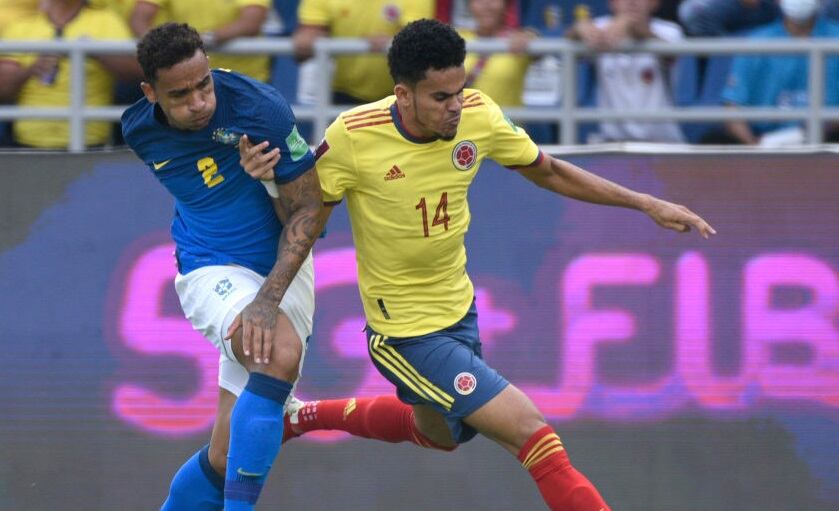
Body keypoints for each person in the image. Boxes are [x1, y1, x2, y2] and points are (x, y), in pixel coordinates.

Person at [242, 18, 716, 511]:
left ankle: (301, 418)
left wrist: (645, 203)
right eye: (440, 98)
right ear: (403, 95)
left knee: (441, 435)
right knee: (533, 436)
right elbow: (303, 221)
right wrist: (270, 189)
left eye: (460, 91)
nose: (455, 107)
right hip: (404, 335)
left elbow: (548, 171)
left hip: (458, 313)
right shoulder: (353, 138)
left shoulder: (478, 116)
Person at [121, 22, 323, 510]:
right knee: (276, 350)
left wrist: (272, 180)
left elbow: (309, 210)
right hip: (208, 268)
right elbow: (206, 193)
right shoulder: (139, 131)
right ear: (150, 92)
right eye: (181, 94)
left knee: (224, 452)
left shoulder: (262, 111)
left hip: (282, 270)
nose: (199, 102)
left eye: (204, 84)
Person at [0, 0, 140, 149]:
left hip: (90, 144)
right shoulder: (22, 26)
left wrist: (99, 53)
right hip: (28, 144)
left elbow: (134, 73)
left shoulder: (106, 20)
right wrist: (31, 70)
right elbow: (3, 89)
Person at [720, 0, 839, 145]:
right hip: (762, 141)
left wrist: (803, 135)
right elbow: (732, 106)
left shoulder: (836, 38)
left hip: (828, 140)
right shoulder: (756, 42)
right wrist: (754, 147)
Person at [567, 0, 686, 143]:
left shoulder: (670, 31)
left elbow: (670, 56)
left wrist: (630, 24)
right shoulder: (601, 27)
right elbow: (566, 44)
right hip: (613, 143)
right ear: (611, 3)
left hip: (663, 143)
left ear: (654, 3)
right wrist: (578, 28)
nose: (632, 2)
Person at [292, 0, 433, 105]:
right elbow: (309, 31)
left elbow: (418, 36)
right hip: (344, 94)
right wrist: (310, 34)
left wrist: (393, 40)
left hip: (399, 94)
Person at [130, 0, 271, 82]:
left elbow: (251, 22)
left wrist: (191, 41)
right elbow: (139, 20)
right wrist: (162, 47)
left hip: (241, 81)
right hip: (183, 81)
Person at [460, 0, 536, 107]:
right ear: (469, 5)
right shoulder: (456, 37)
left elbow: (545, 49)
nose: (486, 4)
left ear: (506, 4)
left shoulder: (518, 39)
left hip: (504, 123)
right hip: (464, 123)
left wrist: (531, 35)